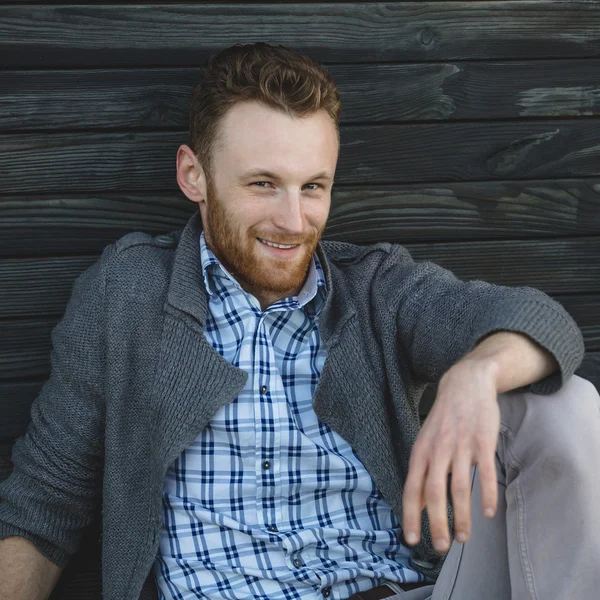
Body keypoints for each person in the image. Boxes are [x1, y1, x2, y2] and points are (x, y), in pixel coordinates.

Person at [0, 42, 598, 600]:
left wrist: (476, 373)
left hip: (400, 588)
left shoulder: (375, 287)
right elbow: (44, 505)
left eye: (313, 186)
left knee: (563, 404)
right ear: (194, 176)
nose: (294, 221)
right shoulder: (127, 292)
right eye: (264, 184)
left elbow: (542, 321)